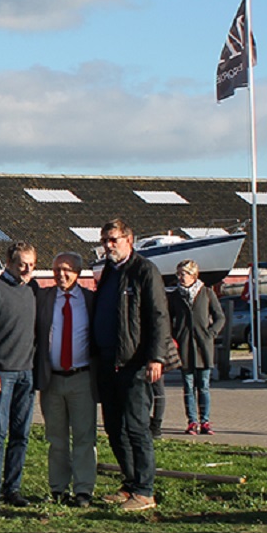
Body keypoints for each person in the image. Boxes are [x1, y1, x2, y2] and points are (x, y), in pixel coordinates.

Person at [91, 219, 172, 512]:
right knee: (114, 427)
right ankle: (130, 481)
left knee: (137, 427)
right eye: (105, 241)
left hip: (135, 363)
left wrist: (156, 357)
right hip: (108, 363)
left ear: (129, 239)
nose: (109, 246)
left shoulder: (144, 271)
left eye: (113, 240)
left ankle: (145, 490)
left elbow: (158, 316)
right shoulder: (109, 273)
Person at [0, 241, 39, 512]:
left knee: (21, 433)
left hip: (27, 372)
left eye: (32, 265)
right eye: (22, 264)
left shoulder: (32, 291)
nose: (27, 270)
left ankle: (13, 487)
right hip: (3, 372)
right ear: (9, 262)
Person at [34, 252, 98, 507]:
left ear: (78, 273)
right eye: (57, 269)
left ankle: (83, 490)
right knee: (56, 438)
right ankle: (58, 488)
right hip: (53, 379)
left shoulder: (90, 301)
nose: (61, 274)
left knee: (84, 437)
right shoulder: (45, 298)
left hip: (82, 378)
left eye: (67, 269)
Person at [168, 259, 225, 435]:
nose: (180, 278)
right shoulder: (175, 296)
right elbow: (168, 319)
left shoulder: (207, 293)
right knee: (188, 386)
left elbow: (220, 317)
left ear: (193, 275)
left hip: (203, 346)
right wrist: (173, 337)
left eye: (183, 274)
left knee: (204, 386)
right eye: (178, 274)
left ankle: (205, 421)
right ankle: (192, 421)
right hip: (185, 346)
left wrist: (211, 334)